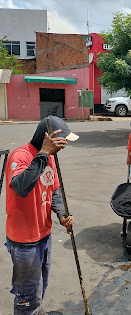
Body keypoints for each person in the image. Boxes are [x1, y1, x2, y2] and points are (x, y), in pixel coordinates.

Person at [4, 115, 77, 315]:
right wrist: (44, 153)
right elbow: (20, 188)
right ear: (47, 138)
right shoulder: (20, 156)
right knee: (26, 297)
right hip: (24, 241)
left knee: (40, 287)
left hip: (44, 235)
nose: (62, 147)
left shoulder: (50, 158)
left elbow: (53, 189)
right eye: (59, 141)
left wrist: (62, 215)